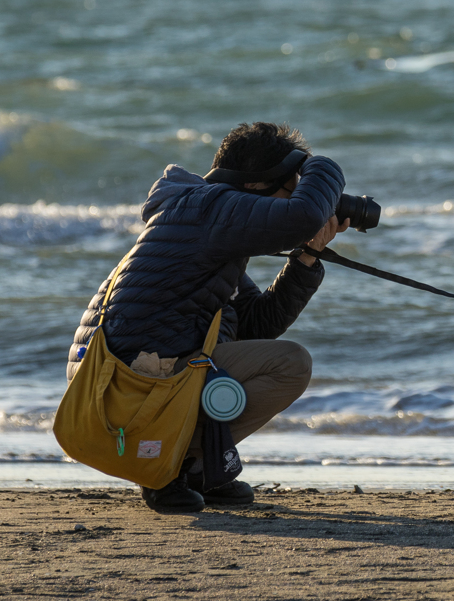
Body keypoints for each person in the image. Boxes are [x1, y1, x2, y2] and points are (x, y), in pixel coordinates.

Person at [66, 122, 348, 512]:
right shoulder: (208, 207)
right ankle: (167, 470)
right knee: (292, 363)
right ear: (255, 184)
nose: (290, 197)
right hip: (123, 389)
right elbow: (301, 216)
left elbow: (255, 325)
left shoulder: (201, 219)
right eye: (290, 185)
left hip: (119, 383)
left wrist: (307, 257)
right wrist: (322, 167)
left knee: (281, 361)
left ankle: (196, 467)